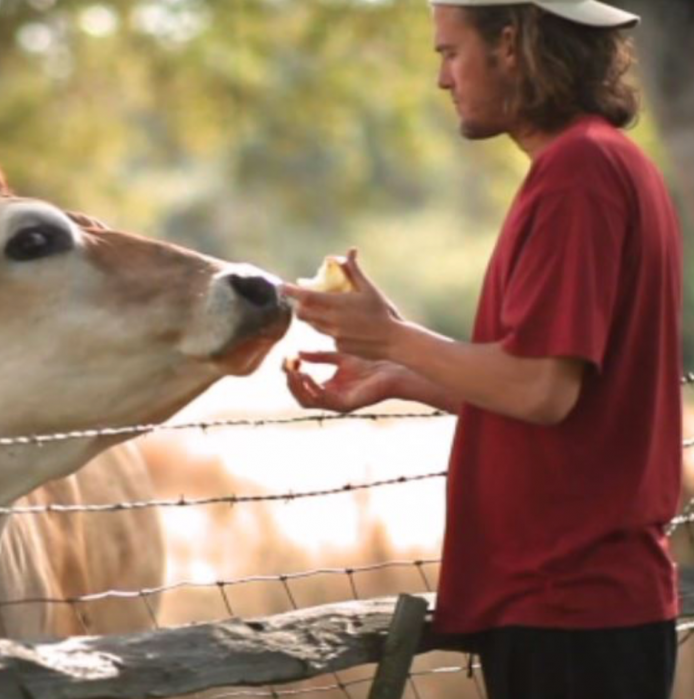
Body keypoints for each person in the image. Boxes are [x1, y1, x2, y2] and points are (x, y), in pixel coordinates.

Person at [281, 1, 682, 697]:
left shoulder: (578, 174)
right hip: (585, 609)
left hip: (569, 610)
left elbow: (539, 390)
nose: (441, 78)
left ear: (510, 44)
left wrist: (394, 334)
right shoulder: (606, 162)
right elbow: (565, 397)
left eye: (449, 52)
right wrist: (398, 371)